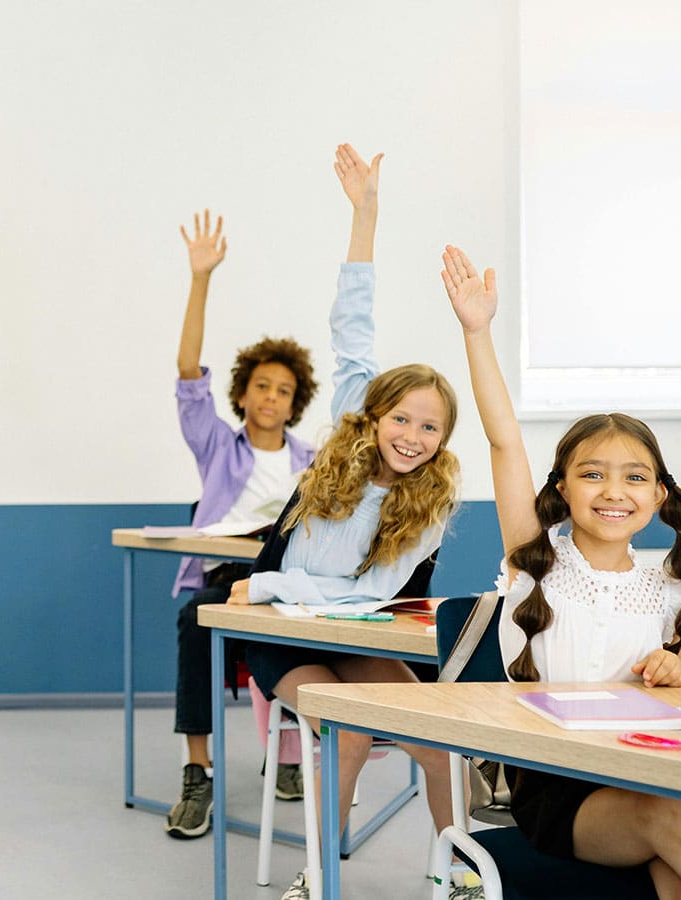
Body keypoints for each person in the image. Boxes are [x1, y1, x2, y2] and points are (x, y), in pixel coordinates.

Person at [444, 244, 681, 899]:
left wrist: (678, 676)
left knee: (680, 874)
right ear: (562, 489)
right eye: (592, 474)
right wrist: (477, 334)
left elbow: (677, 707)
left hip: (657, 778)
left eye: (634, 477)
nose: (612, 490)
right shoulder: (534, 561)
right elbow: (504, 439)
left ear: (658, 496)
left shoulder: (671, 591)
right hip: (564, 795)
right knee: (665, 821)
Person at [201, 146, 465, 900]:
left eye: (431, 429)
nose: (413, 437)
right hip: (281, 635)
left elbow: (369, 596)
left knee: (440, 738)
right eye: (403, 418)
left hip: (333, 622)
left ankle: (458, 875)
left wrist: (278, 581)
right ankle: (318, 879)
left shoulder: (430, 502)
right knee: (345, 729)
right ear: (375, 413)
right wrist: (365, 214)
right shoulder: (348, 429)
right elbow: (352, 321)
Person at [166, 207, 320, 825]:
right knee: (192, 619)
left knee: (294, 631)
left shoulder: (313, 462)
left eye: (283, 390)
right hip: (223, 579)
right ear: (244, 393)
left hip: (284, 586)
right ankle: (197, 770)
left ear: (294, 402)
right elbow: (186, 376)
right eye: (261, 385)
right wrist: (201, 278)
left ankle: (287, 752)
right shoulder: (216, 446)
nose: (270, 397)